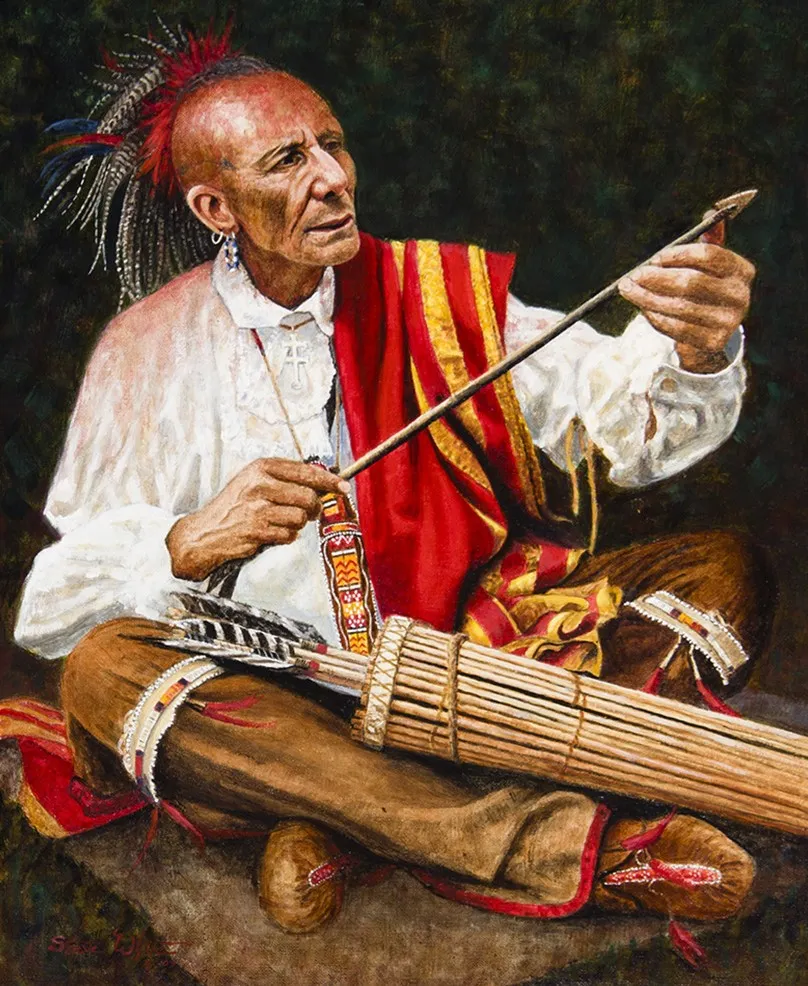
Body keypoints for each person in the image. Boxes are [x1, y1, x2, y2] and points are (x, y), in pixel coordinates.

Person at [13, 27, 771, 935]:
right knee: (105, 671)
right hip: (279, 701)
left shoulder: (433, 294)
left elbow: (619, 420)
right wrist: (187, 541)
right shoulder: (145, 349)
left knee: (722, 571)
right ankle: (566, 846)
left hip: (468, 656)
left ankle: (352, 824)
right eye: (288, 161)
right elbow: (51, 607)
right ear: (217, 207)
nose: (333, 177)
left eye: (332, 144)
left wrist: (698, 347)